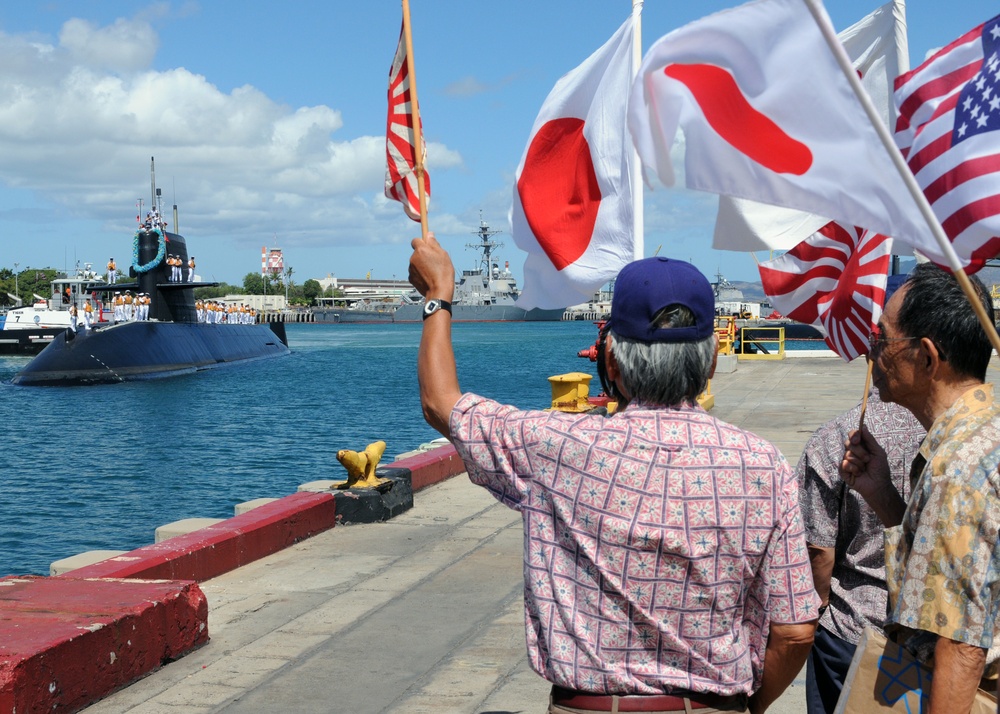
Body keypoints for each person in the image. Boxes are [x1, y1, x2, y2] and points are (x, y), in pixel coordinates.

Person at [409, 233, 820, 714]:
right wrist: (748, 708)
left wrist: (438, 295)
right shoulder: (763, 465)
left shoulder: (555, 446)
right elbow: (795, 632)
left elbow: (441, 403)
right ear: (711, 360)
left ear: (611, 360)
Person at [841, 263, 1000, 714]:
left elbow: (960, 644)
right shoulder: (983, 432)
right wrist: (883, 495)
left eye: (883, 339)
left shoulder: (957, 469)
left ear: (927, 357)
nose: (873, 351)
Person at [797, 389, 924, 713]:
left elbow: (819, 549)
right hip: (931, 630)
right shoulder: (952, 436)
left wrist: (818, 608)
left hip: (852, 628)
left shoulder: (837, 438)